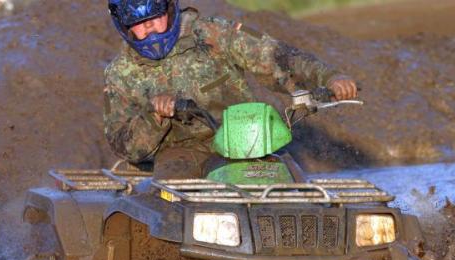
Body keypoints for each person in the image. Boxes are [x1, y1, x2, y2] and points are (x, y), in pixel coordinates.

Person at [104, 0, 358, 175]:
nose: (149, 27)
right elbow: (124, 146)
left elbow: (273, 55)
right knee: (174, 204)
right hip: (183, 155)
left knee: (296, 189)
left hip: (248, 142)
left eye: (154, 17)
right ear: (124, 26)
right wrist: (155, 116)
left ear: (169, 8)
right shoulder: (120, 74)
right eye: (138, 22)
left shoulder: (212, 33)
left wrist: (329, 77)